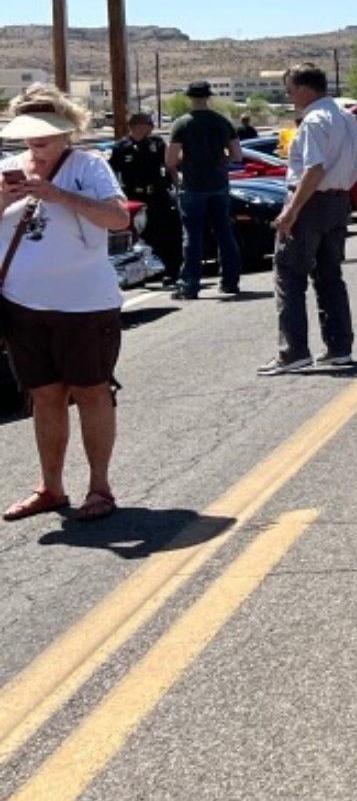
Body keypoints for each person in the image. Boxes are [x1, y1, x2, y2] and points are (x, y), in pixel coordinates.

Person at [0, 88, 133, 523]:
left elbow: (118, 218)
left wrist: (58, 195)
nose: (35, 143)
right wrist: (5, 199)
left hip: (84, 305)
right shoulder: (5, 168)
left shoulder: (89, 166)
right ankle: (51, 487)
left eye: (46, 134)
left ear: (65, 131)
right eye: (29, 135)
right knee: (44, 397)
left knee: (92, 391)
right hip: (21, 304)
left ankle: (100, 487)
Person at [259, 63, 357, 375]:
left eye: (290, 90)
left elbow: (313, 170)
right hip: (338, 201)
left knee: (289, 276)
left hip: (311, 203)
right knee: (330, 276)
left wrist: (290, 212)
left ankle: (294, 352)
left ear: (305, 88)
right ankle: (338, 347)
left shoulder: (314, 120)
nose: (289, 97)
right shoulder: (345, 116)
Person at [166, 80, 243, 301]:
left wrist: (186, 161)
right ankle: (230, 281)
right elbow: (237, 155)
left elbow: (171, 160)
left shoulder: (182, 124)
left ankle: (190, 284)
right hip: (218, 184)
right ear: (208, 97)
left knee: (192, 236)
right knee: (225, 233)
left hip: (192, 185)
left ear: (190, 98)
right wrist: (219, 160)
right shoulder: (222, 122)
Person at [109, 111, 181, 283]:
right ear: (137, 125)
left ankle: (171, 271)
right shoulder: (121, 148)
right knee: (141, 238)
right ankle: (142, 273)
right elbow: (112, 175)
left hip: (158, 196)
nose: (152, 127)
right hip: (135, 198)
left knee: (166, 234)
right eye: (149, 123)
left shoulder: (156, 143)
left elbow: (169, 166)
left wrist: (177, 184)